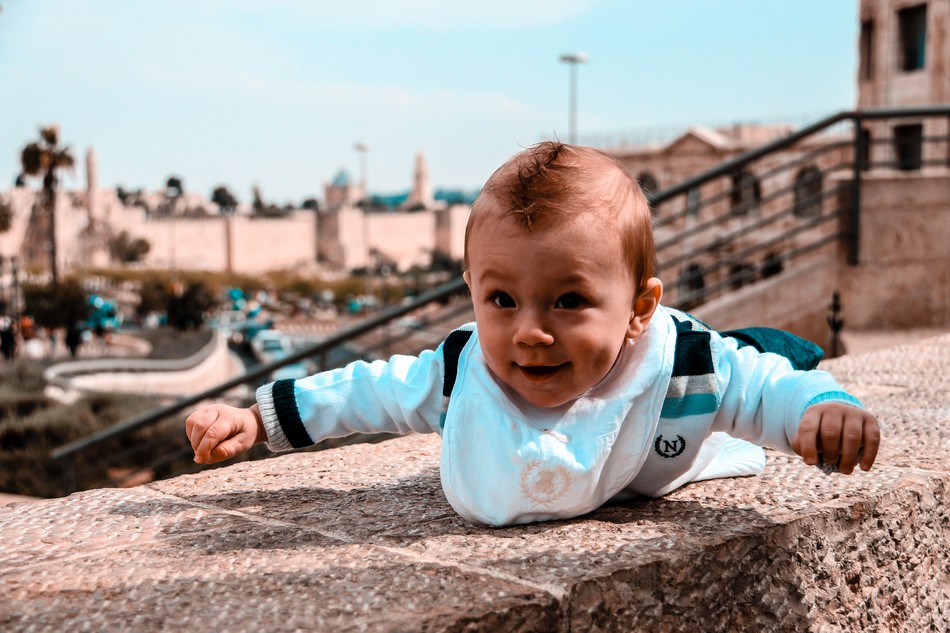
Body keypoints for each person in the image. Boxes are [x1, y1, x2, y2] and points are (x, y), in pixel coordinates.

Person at [186, 142, 880, 527]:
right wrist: (258, 418)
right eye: (502, 299)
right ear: (471, 292)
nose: (530, 333)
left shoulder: (683, 365)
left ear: (639, 309)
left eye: (569, 300)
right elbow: (369, 389)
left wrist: (818, 413)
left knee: (768, 354)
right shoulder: (464, 370)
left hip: (685, 419)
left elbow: (763, 392)